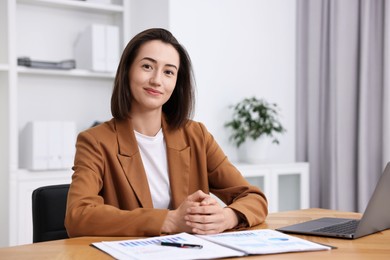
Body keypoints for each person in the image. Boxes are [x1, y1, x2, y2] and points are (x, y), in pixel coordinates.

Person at [65, 28, 268, 237]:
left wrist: (226, 217)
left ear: (176, 82)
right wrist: (168, 220)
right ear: (127, 71)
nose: (156, 80)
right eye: (147, 66)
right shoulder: (95, 141)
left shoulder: (196, 135)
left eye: (168, 72)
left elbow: (253, 198)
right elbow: (78, 216)